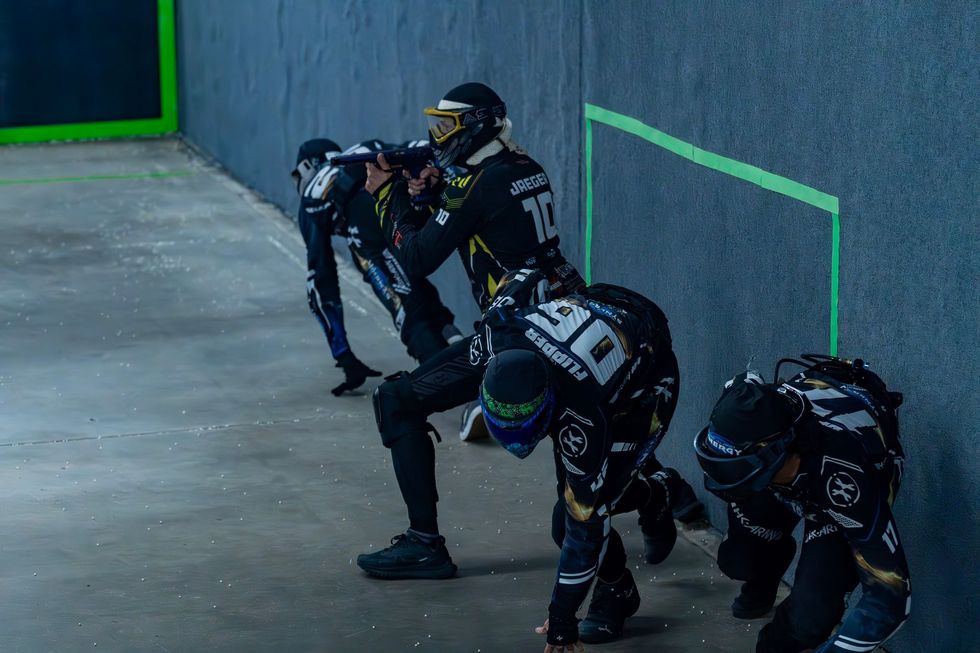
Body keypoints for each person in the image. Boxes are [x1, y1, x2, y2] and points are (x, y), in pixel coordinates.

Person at [357, 273, 690, 649]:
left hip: (646, 374)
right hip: (587, 311)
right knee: (396, 399)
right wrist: (555, 283)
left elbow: (584, 531)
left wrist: (562, 616)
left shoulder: (582, 419)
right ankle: (423, 541)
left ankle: (632, 551)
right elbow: (523, 277)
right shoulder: (493, 335)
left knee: (570, 520)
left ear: (549, 405)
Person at [364, 82, 585, 441]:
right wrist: (435, 194)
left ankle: (491, 391)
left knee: (393, 401)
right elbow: (484, 220)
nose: (438, 137)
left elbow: (417, 258)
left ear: (475, 125)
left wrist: (387, 195)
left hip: (515, 330)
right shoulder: (526, 164)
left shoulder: (472, 187)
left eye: (446, 126)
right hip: (565, 310)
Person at [694, 358, 910, 653]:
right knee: (738, 560)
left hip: (838, 489)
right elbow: (745, 379)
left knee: (809, 619)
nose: (728, 481)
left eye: (738, 473)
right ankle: (765, 576)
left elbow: (888, 599)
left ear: (777, 454)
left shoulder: (844, 481)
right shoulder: (745, 402)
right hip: (788, 463)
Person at [291, 138, 462, 395]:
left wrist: (343, 354)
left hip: (365, 220)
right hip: (401, 202)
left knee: (406, 309)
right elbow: (411, 147)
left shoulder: (310, 197)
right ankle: (457, 343)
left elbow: (320, 279)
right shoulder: (360, 149)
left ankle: (461, 389)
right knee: (417, 291)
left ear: (307, 167)